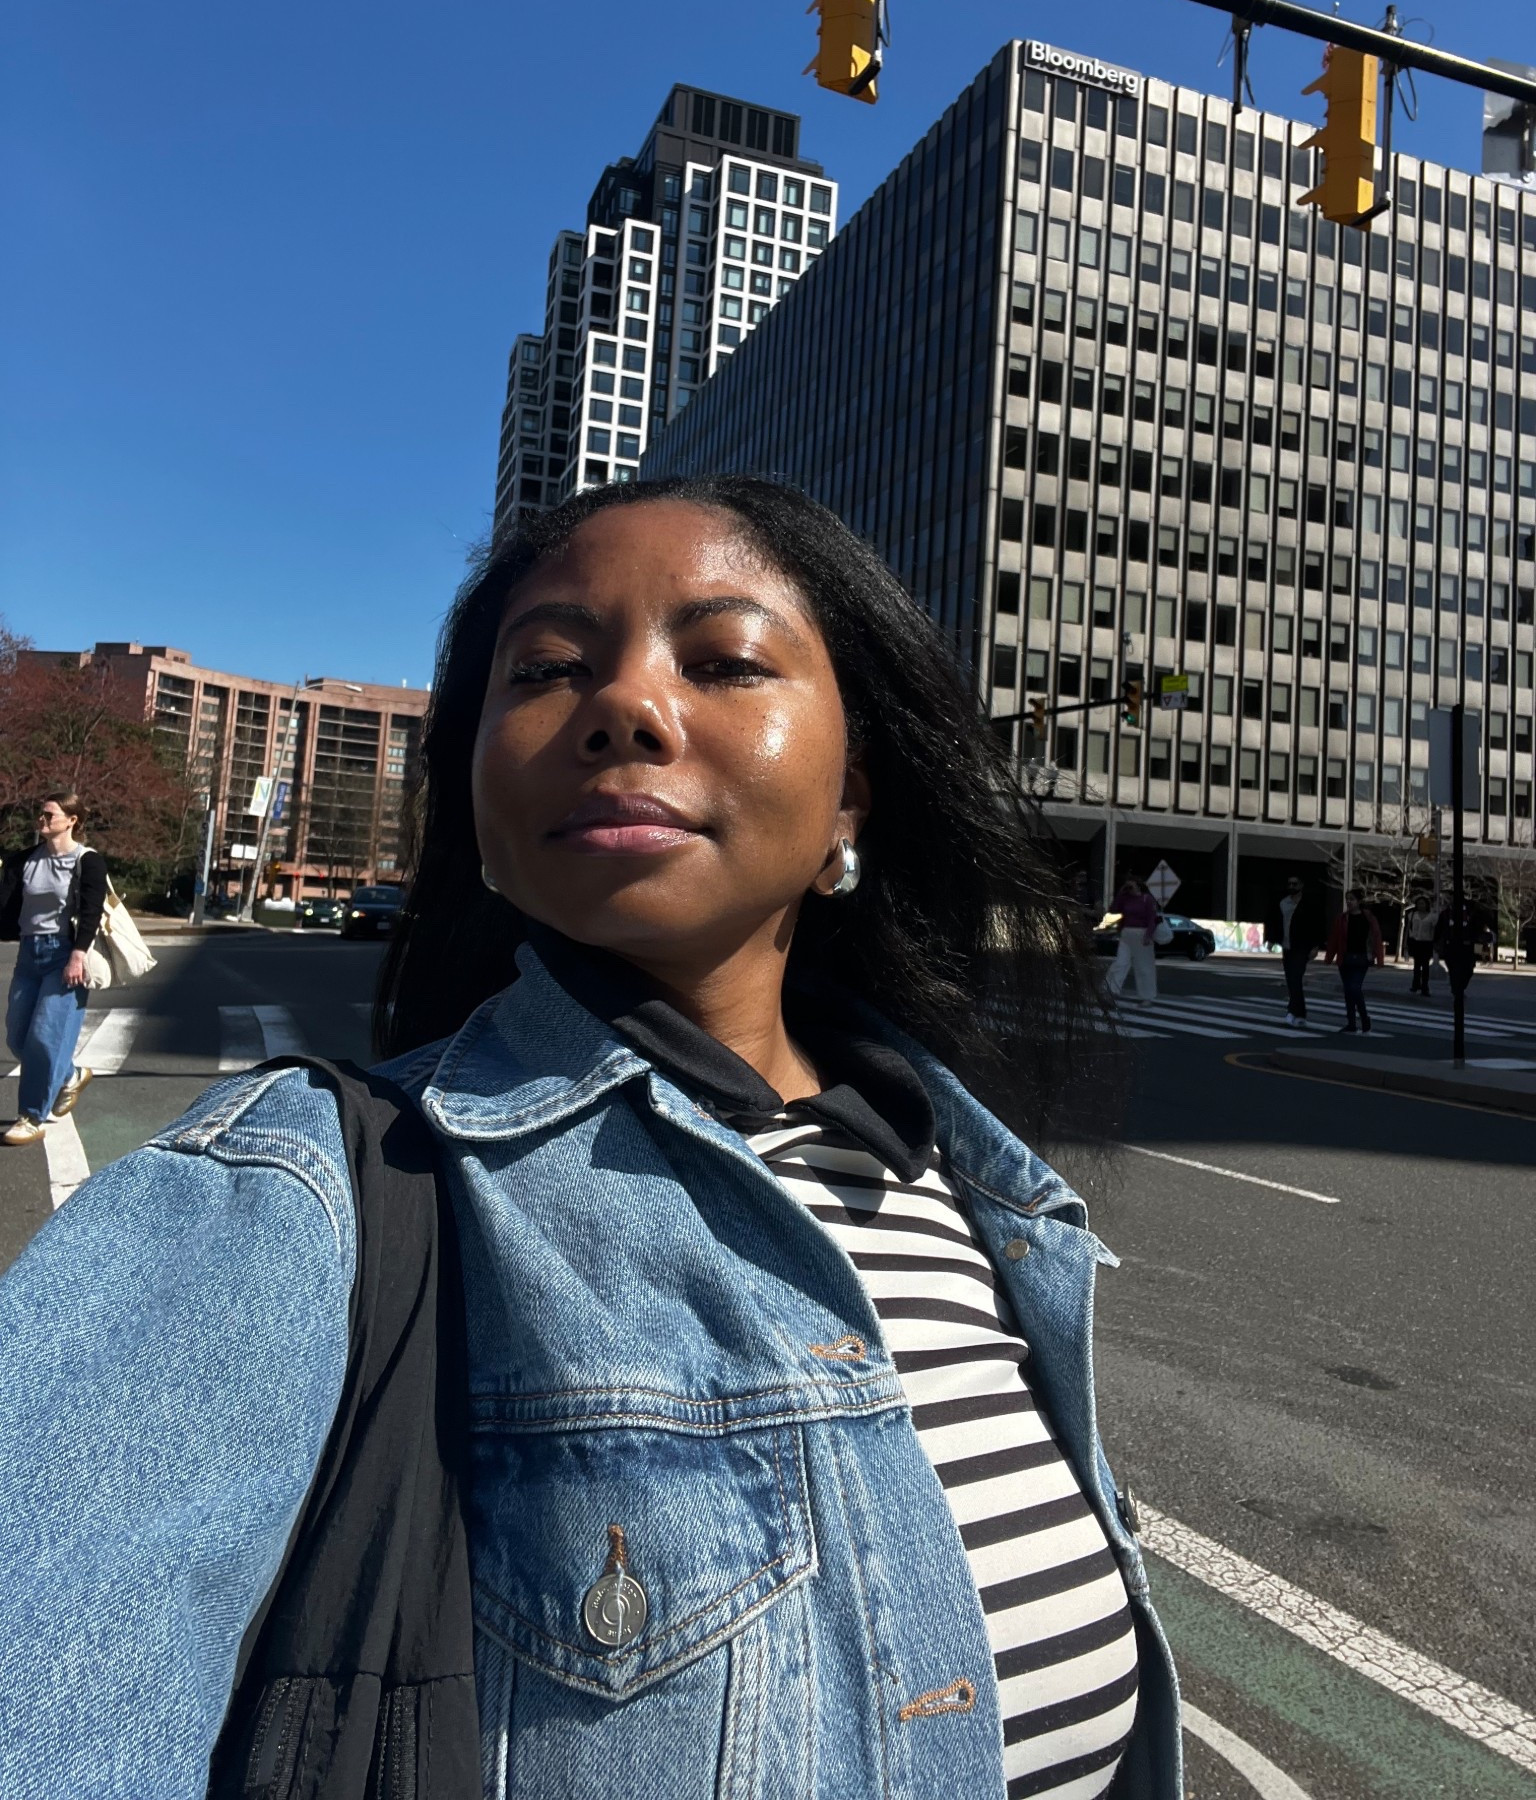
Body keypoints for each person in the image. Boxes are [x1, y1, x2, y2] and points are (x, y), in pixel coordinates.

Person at [0, 478, 1181, 1800]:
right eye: (550, 669)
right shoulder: (291, 1197)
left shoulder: (970, 1196)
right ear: (483, 793)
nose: (627, 707)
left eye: (726, 661)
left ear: (852, 791)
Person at [0, 793, 107, 1147]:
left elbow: (91, 911)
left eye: (50, 814)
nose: (42, 820)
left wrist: (79, 953)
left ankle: (31, 1116)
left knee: (46, 1038)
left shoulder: (86, 861)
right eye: (41, 814)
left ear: (72, 819)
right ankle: (70, 1074)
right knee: (17, 1037)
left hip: (65, 954)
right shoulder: (25, 861)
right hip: (30, 954)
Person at [1264, 873, 1326, 1025]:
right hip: (1287, 946)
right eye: (1289, 884)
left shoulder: (1310, 904)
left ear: (1301, 885)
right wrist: (1271, 939)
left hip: (1302, 946)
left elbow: (1317, 926)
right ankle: (1300, 1013)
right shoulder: (1283, 903)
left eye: (1294, 884)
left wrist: (1316, 946)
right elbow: (1274, 921)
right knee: (1291, 980)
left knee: (1295, 978)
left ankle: (1292, 1011)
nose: (1291, 886)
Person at [1324, 889, 1385, 1033]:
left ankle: (1364, 1017)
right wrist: (1329, 957)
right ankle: (1351, 1022)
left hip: (1362, 958)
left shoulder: (1368, 917)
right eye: (1347, 899)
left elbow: (1376, 937)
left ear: (1359, 901)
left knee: (1354, 988)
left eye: (1351, 899)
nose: (1349, 902)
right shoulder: (1342, 918)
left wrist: (1379, 959)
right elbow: (1334, 938)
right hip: (1345, 958)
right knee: (1348, 991)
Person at [1105, 874, 1160, 1000]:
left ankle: (1147, 995)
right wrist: (1120, 893)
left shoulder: (1147, 899)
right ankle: (1111, 989)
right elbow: (1113, 910)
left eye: (1131, 886)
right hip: (1127, 933)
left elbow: (1152, 919)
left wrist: (1148, 935)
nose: (1129, 889)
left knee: (1144, 967)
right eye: (1127, 886)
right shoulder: (1125, 898)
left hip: (1142, 933)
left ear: (1137, 885)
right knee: (1121, 962)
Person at [1405, 892, 1438, 995]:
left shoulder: (1432, 916)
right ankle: (1415, 984)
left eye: (1423, 903)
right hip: (1415, 942)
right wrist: (1406, 942)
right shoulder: (1412, 915)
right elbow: (1407, 929)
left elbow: (1435, 929)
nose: (1421, 905)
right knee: (1416, 965)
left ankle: (1425, 986)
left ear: (1426, 904)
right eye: (1419, 903)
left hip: (1426, 942)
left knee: (1425, 966)